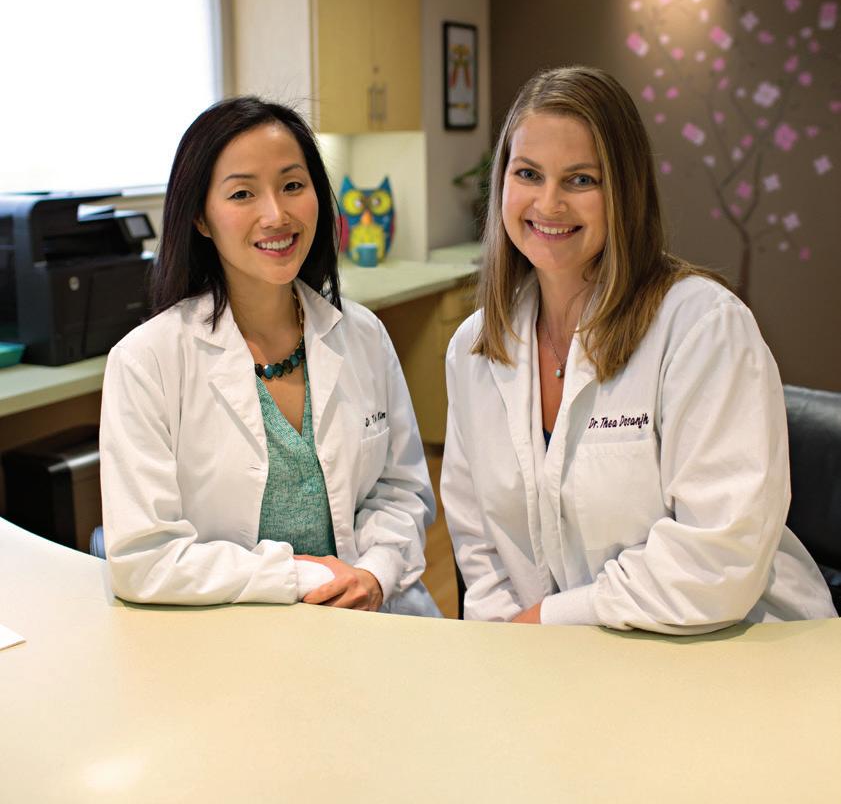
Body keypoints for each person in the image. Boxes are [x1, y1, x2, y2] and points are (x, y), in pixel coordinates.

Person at [441, 67, 835, 631]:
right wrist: (506, 641)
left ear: (625, 192)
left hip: (731, 647)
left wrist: (548, 620)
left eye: (581, 180)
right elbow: (479, 541)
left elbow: (720, 556)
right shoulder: (475, 348)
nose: (548, 203)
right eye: (528, 173)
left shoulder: (703, 328)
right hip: (555, 655)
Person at [100, 96, 439, 616]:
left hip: (372, 615)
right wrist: (303, 577)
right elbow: (145, 558)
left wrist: (374, 573)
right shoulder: (146, 361)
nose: (276, 215)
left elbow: (401, 490)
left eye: (293, 186)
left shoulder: (362, 335)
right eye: (242, 193)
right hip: (234, 632)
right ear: (201, 218)